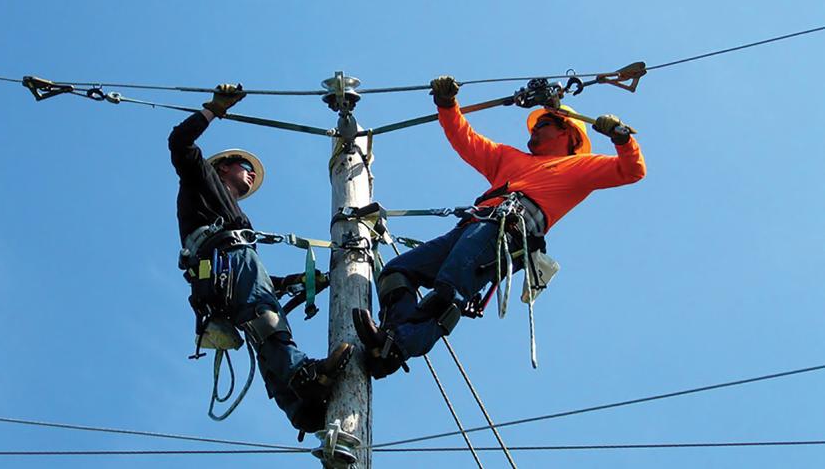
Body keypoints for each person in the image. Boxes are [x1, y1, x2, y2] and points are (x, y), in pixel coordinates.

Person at [353, 76, 646, 378]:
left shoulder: (580, 168)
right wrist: (446, 104)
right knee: (397, 272)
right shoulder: (509, 158)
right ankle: (387, 340)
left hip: (507, 232)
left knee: (451, 284)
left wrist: (621, 136)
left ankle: (401, 344)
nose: (534, 129)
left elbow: (632, 170)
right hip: (473, 225)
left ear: (568, 133)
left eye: (543, 123)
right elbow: (464, 138)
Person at [169, 83, 353, 433]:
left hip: (229, 266)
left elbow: (258, 283)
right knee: (263, 319)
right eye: (244, 166)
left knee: (262, 322)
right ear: (223, 167)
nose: (250, 175)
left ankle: (300, 408)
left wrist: (298, 281)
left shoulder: (232, 214)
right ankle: (302, 375)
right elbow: (179, 142)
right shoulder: (200, 177)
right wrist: (214, 109)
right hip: (224, 260)